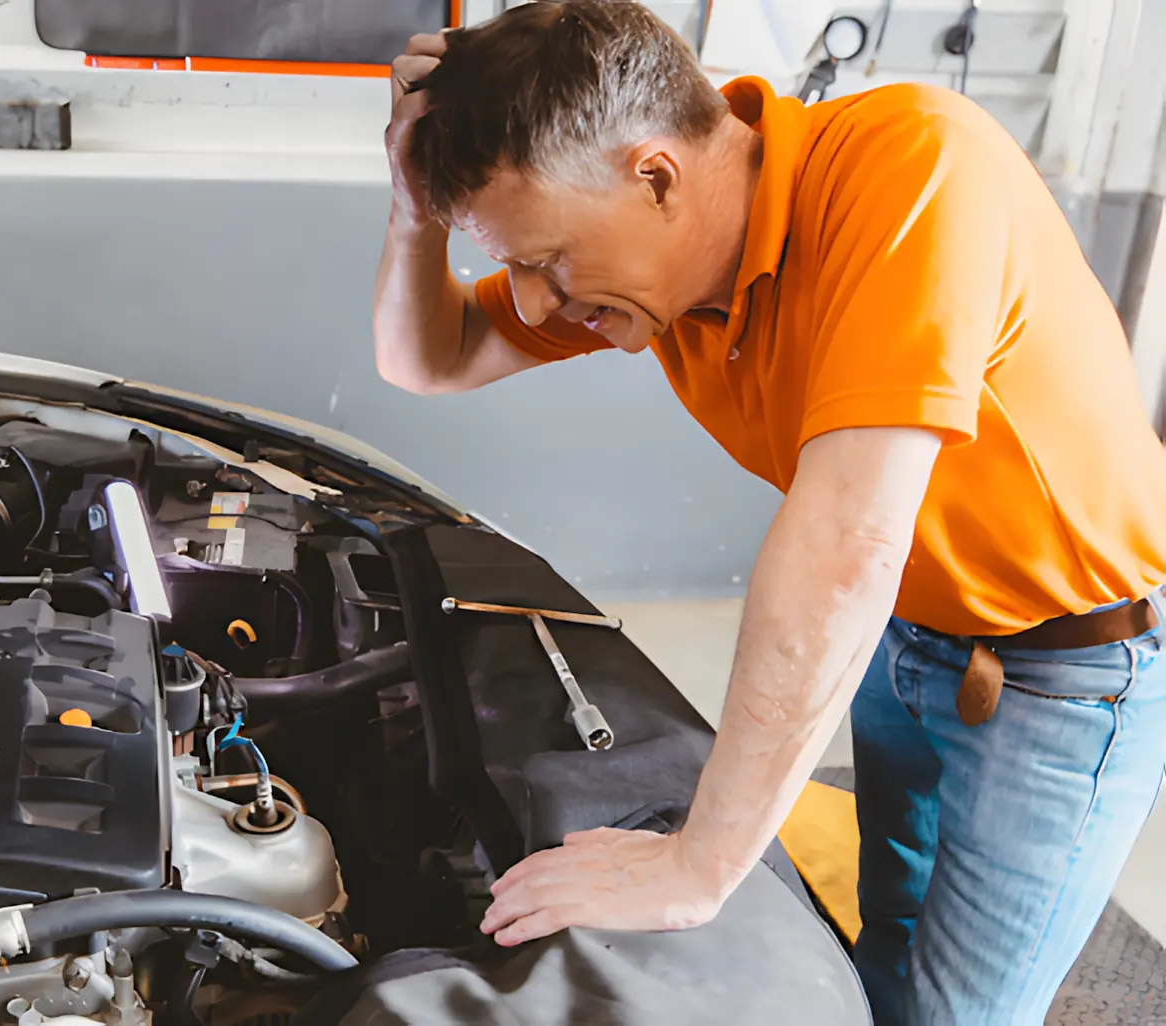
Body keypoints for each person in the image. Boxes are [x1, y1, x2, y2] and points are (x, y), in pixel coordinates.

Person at [371, 2, 1166, 1023]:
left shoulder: (914, 168)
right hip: (903, 640)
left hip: (1067, 676)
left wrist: (699, 862)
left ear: (654, 175)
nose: (531, 303)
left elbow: (846, 545)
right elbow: (425, 358)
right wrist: (410, 212)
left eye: (547, 260)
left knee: (958, 1013)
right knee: (880, 955)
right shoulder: (667, 273)